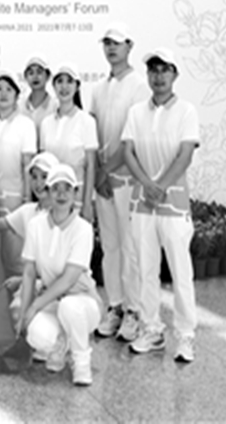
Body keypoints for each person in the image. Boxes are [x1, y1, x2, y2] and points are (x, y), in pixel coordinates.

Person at [122, 48, 199, 363]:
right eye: (153, 70)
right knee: (146, 270)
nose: (158, 76)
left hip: (174, 205)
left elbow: (185, 155)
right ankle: (151, 329)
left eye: (165, 69)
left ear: (175, 74)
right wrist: (147, 185)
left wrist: (161, 187)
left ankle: (185, 335)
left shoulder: (186, 111)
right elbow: (128, 152)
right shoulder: (136, 112)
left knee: (181, 273)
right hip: (143, 204)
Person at [89, 23, 150, 342]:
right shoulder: (99, 88)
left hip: (125, 179)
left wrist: (106, 171)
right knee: (110, 247)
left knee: (130, 247)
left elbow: (132, 138)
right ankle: (115, 306)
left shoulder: (139, 86)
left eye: (117, 43)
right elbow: (92, 132)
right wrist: (99, 173)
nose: (111, 48)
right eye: (107, 43)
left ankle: (134, 310)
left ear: (130, 46)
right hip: (103, 182)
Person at [16, 164, 102, 386]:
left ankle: (81, 360)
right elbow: (29, 272)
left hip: (83, 302)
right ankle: (62, 342)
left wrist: (35, 306)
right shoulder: (35, 225)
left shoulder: (83, 229)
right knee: (35, 334)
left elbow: (69, 279)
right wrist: (25, 313)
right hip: (52, 301)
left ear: (76, 192)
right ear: (47, 191)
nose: (62, 194)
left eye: (67, 188)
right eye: (55, 188)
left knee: (69, 307)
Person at [39, 63, 98, 222]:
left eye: (69, 81)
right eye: (60, 81)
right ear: (53, 86)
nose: (64, 87)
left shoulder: (87, 121)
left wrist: (87, 204)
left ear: (77, 86)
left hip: (76, 198)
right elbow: (43, 165)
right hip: (51, 198)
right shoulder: (46, 123)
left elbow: (90, 166)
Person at [0, 151, 60, 277]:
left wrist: (22, 281)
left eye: (44, 176)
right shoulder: (28, 211)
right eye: (34, 177)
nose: (38, 183)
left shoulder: (63, 216)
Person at [0, 72, 37, 220]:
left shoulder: (26, 124)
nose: (3, 93)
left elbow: (28, 166)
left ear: (16, 96)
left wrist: (27, 200)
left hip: (16, 198)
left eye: (9, 89)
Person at [20, 55, 57, 138]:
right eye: (31, 73)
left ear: (48, 76)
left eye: (39, 72)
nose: (35, 77)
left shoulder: (55, 106)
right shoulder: (19, 106)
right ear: (26, 77)